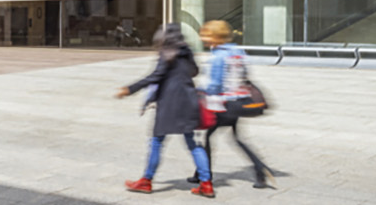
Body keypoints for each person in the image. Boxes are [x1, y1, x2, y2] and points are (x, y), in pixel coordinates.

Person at [115, 23, 213, 197]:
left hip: (169, 104)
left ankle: (146, 181)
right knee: (193, 144)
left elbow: (155, 76)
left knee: (157, 142)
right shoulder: (187, 51)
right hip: (189, 101)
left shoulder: (167, 52)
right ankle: (206, 184)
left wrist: (130, 89)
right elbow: (195, 71)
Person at [194, 20, 275, 190]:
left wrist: (199, 91)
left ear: (216, 36)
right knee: (237, 139)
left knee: (207, 138)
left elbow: (215, 85)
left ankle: (204, 176)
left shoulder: (218, 56)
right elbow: (245, 75)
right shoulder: (238, 52)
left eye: (206, 35)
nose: (203, 38)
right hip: (239, 102)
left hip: (224, 105)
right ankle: (260, 170)